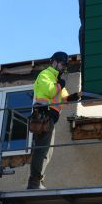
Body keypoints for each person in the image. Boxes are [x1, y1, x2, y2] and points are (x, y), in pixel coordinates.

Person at [27, 51, 79, 189]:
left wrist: (74, 97)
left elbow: (62, 100)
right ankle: (35, 182)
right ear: (54, 62)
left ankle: (38, 180)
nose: (63, 68)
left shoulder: (57, 80)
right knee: (42, 150)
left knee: (47, 152)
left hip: (49, 119)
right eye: (62, 64)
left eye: (64, 66)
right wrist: (60, 85)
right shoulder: (45, 75)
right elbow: (51, 91)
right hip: (43, 116)